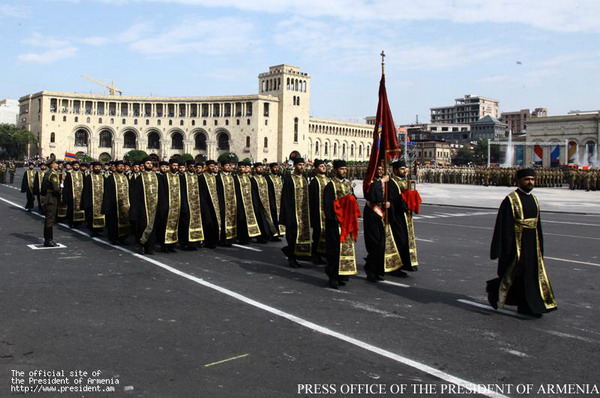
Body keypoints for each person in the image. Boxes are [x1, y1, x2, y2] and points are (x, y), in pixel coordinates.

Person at [487, 168, 558, 317]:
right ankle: (494, 289)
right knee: (515, 274)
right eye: (527, 179)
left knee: (531, 275)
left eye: (532, 179)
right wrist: (503, 249)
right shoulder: (511, 199)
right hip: (516, 245)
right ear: (519, 180)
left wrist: (540, 245)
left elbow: (537, 224)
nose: (530, 182)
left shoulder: (534, 199)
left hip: (532, 244)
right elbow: (503, 225)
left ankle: (528, 306)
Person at [323, 160, 360, 289]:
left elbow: (353, 199)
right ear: (335, 170)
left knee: (346, 250)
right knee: (334, 251)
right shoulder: (331, 185)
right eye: (341, 169)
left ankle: (343, 275)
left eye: (345, 168)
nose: (344, 171)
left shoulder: (348, 184)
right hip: (336, 224)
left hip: (347, 222)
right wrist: (335, 219)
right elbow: (328, 206)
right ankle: (333, 276)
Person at [363, 165, 402, 282]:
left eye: (382, 170)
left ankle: (378, 270)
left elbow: (391, 195)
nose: (380, 172)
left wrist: (389, 203)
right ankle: (370, 270)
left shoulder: (385, 182)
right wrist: (381, 181)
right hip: (372, 214)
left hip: (382, 215)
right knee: (374, 244)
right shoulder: (369, 181)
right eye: (378, 170)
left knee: (381, 245)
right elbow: (372, 196)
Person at [388, 160, 419, 276]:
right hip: (398, 216)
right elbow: (395, 199)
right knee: (399, 240)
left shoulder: (405, 181)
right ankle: (396, 266)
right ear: (395, 170)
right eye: (402, 169)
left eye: (405, 168)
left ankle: (405, 264)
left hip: (406, 216)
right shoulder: (392, 183)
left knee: (406, 240)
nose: (405, 170)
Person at [279, 157, 312, 267]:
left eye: (303, 165)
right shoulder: (289, 179)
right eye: (299, 165)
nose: (302, 167)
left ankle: (298, 255)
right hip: (293, 213)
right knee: (292, 236)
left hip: (304, 214)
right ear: (295, 166)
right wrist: (287, 215)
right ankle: (291, 257)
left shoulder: (304, 178)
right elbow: (285, 198)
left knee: (301, 236)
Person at [129, 158, 159, 255]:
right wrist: (135, 209)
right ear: (143, 165)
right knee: (142, 226)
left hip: (155, 206)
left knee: (153, 228)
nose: (150, 165)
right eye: (147, 163)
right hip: (143, 207)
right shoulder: (139, 178)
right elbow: (135, 195)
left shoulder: (158, 177)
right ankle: (142, 245)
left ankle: (150, 248)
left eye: (151, 163)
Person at [102, 160, 131, 245]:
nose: (121, 167)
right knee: (113, 222)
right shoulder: (110, 178)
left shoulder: (126, 177)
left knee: (125, 221)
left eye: (122, 166)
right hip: (114, 204)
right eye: (119, 166)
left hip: (125, 204)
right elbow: (107, 193)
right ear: (115, 167)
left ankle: (123, 238)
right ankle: (113, 238)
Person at [156, 158, 181, 252]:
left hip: (176, 206)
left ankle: (172, 245)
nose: (175, 167)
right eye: (173, 165)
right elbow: (161, 193)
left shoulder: (179, 177)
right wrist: (164, 206)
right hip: (167, 206)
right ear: (170, 166)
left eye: (176, 166)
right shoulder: (164, 177)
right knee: (164, 226)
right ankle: (164, 245)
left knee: (175, 226)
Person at [234, 160, 262, 245]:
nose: (242, 169)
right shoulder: (235, 178)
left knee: (248, 220)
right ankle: (241, 238)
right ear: (238, 168)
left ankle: (248, 237)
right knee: (241, 220)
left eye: (244, 167)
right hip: (240, 202)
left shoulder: (250, 178)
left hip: (249, 202)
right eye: (241, 167)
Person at [179, 159, 204, 250]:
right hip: (186, 204)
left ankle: (194, 243)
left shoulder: (197, 177)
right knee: (186, 224)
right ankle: (185, 243)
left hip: (196, 205)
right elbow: (181, 191)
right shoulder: (182, 177)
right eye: (191, 166)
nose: (193, 168)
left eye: (194, 166)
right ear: (187, 167)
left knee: (196, 224)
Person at [250, 162, 278, 243]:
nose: (260, 169)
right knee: (260, 220)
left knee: (267, 220)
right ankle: (260, 237)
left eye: (261, 167)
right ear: (255, 169)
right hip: (258, 203)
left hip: (266, 203)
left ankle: (268, 235)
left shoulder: (265, 179)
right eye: (259, 167)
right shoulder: (252, 179)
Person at [199, 160, 221, 249]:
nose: (212, 168)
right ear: (207, 166)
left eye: (213, 166)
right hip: (206, 204)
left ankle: (213, 241)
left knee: (214, 222)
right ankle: (206, 241)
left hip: (214, 204)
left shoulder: (214, 177)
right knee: (207, 222)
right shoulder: (201, 177)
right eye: (211, 166)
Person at [216, 159, 237, 247]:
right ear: (222, 167)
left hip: (231, 202)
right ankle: (223, 239)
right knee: (223, 220)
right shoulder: (218, 177)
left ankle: (230, 238)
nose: (228, 167)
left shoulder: (231, 177)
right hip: (222, 202)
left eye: (229, 166)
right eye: (227, 166)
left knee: (231, 220)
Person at [41, 159, 61, 247]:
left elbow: (43, 188)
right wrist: (61, 188)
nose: (58, 165)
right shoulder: (53, 175)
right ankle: (49, 240)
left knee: (48, 219)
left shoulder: (47, 173)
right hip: (52, 198)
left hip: (48, 197)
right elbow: (56, 189)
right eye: (56, 163)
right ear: (52, 165)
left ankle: (47, 239)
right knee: (50, 220)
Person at [82, 161, 105, 237]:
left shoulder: (103, 177)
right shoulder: (89, 177)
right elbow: (86, 190)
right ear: (93, 168)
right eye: (96, 167)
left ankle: (99, 229)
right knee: (91, 215)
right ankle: (93, 230)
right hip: (92, 200)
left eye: (99, 167)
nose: (97, 168)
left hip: (101, 200)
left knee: (101, 214)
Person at [62, 160, 86, 228]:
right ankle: (71, 222)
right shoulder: (69, 175)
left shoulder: (82, 174)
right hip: (71, 195)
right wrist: (66, 197)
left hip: (80, 195)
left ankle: (79, 222)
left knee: (80, 208)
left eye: (78, 165)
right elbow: (66, 187)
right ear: (72, 166)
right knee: (71, 209)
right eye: (75, 165)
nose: (77, 166)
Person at [266, 162, 285, 241]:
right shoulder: (268, 178)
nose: (276, 169)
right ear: (271, 169)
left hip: (279, 202)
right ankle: (273, 234)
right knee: (273, 218)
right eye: (274, 167)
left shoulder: (279, 178)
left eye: (277, 167)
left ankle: (278, 233)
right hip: (272, 201)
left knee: (278, 218)